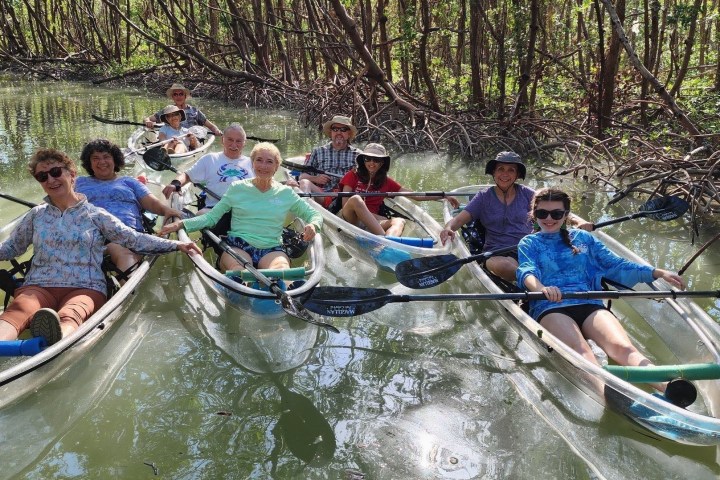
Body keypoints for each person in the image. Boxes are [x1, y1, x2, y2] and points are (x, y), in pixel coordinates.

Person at [0, 149, 201, 346]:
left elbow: (133, 239)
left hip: (84, 286)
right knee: (18, 309)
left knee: (71, 314)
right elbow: (11, 248)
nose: (51, 180)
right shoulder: (36, 215)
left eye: (55, 172)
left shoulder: (95, 215)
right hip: (39, 285)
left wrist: (176, 244)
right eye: (43, 177)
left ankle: (56, 341)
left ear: (72, 174)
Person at [516, 187, 691, 401]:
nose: (549, 218)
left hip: (590, 303)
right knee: (581, 351)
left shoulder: (584, 238)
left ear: (566, 214)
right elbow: (526, 271)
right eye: (543, 213)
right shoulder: (529, 243)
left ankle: (669, 389)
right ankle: (609, 398)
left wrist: (657, 272)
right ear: (535, 214)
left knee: (623, 348)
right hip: (551, 306)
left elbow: (615, 264)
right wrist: (541, 288)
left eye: (556, 213)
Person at [161, 142, 322, 275]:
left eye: (269, 162)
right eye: (259, 160)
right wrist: (179, 224)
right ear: (252, 164)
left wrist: (313, 225)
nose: (263, 166)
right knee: (239, 273)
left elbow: (314, 214)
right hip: (239, 246)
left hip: (271, 248)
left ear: (276, 166)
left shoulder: (286, 192)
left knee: (282, 274)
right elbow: (211, 218)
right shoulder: (237, 188)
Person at [76, 139, 183, 273]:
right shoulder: (78, 183)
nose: (102, 162)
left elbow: (152, 203)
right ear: (89, 163)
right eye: (95, 158)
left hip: (126, 236)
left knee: (123, 253)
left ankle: (126, 288)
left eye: (106, 157)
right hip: (87, 237)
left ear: (114, 160)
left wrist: (166, 210)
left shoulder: (129, 182)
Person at [440, 151, 534, 283]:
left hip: (528, 250)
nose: (505, 174)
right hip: (495, 254)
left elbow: (554, 207)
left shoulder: (527, 194)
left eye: (511, 170)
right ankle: (533, 283)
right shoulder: (483, 197)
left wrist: (572, 219)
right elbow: (458, 220)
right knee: (507, 266)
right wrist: (448, 228)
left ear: (517, 175)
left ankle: (533, 284)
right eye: (500, 169)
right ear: (493, 172)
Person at [337, 143, 459, 237]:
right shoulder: (351, 175)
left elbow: (416, 195)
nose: (371, 163)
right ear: (363, 161)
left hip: (373, 222)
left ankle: (388, 243)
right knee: (356, 199)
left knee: (399, 221)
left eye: (376, 160)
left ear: (382, 163)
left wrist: (443, 195)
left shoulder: (386, 181)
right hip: (351, 219)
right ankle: (384, 241)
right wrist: (366, 214)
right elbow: (345, 205)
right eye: (367, 159)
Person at [162, 123, 254, 237]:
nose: (234, 145)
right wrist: (175, 183)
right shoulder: (210, 159)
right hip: (215, 209)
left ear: (244, 143)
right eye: (230, 140)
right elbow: (187, 175)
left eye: (238, 141)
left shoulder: (253, 163)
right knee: (201, 214)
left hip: (245, 210)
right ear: (222, 140)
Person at [298, 115, 361, 207]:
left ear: (349, 134)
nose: (339, 132)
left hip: (348, 198)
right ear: (331, 132)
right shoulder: (318, 151)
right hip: (324, 195)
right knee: (304, 182)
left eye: (343, 129)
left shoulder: (359, 155)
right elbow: (302, 176)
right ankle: (306, 211)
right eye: (335, 129)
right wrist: (316, 178)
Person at [144, 83, 222, 136]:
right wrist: (148, 121)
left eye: (181, 94)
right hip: (172, 139)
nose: (178, 97)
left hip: (191, 139)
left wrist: (216, 130)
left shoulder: (194, 111)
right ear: (173, 97)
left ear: (185, 96)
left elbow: (211, 126)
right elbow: (148, 118)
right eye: (175, 94)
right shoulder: (167, 110)